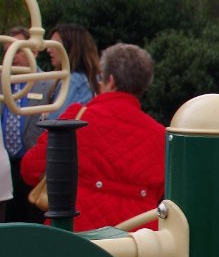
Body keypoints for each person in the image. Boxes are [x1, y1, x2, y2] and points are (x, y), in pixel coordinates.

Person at [22, 43, 165, 232]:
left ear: (110, 80)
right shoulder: (160, 135)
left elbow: (30, 169)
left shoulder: (78, 117)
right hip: (140, 240)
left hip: (77, 232)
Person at [1, 26, 58, 223]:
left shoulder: (49, 83)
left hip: (35, 167)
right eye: (7, 50)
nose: (11, 56)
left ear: (33, 51)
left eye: (17, 50)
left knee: (35, 219)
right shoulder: (3, 83)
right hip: (8, 167)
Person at [48, 23, 97, 116]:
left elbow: (57, 123)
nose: (49, 49)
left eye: (55, 45)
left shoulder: (72, 82)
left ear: (70, 48)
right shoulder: (91, 79)